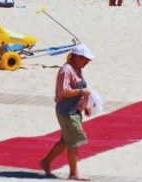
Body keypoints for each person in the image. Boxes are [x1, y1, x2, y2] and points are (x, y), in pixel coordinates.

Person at [40, 44, 96, 181]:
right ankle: (73, 174)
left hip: (74, 111)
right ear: (77, 57)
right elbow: (63, 92)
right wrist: (83, 92)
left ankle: (46, 162)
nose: (87, 62)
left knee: (66, 141)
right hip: (66, 112)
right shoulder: (66, 70)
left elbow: (79, 90)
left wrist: (85, 104)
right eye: (85, 59)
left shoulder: (77, 69)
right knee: (75, 140)